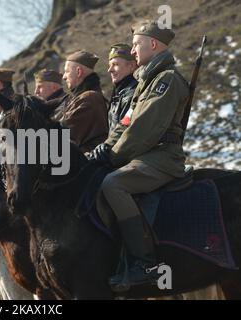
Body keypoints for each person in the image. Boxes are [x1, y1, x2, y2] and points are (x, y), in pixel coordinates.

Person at [96, 20, 190, 292]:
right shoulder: (145, 82)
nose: (133, 51)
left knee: (113, 183)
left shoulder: (166, 80)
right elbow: (125, 123)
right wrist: (104, 149)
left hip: (162, 157)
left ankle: (145, 265)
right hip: (144, 154)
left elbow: (144, 128)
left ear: (153, 44)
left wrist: (112, 158)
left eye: (136, 44)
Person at [91, 43, 138, 162]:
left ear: (132, 66)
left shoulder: (133, 94)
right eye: (110, 65)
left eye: (115, 65)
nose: (109, 69)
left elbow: (126, 133)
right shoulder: (119, 93)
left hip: (124, 159)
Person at [60, 50, 108, 152]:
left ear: (78, 72)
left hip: (85, 163)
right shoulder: (85, 97)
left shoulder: (89, 98)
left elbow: (62, 134)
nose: (64, 77)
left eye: (67, 71)